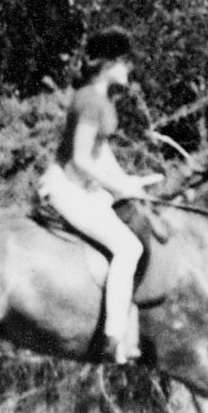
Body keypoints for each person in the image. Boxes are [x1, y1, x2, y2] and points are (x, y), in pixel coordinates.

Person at [38, 26, 153, 364]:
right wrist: (117, 188)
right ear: (108, 64)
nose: (129, 69)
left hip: (85, 189)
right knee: (128, 247)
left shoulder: (104, 101)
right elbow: (80, 159)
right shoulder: (89, 100)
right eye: (125, 62)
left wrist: (128, 182)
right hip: (65, 189)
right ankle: (112, 337)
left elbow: (102, 155)